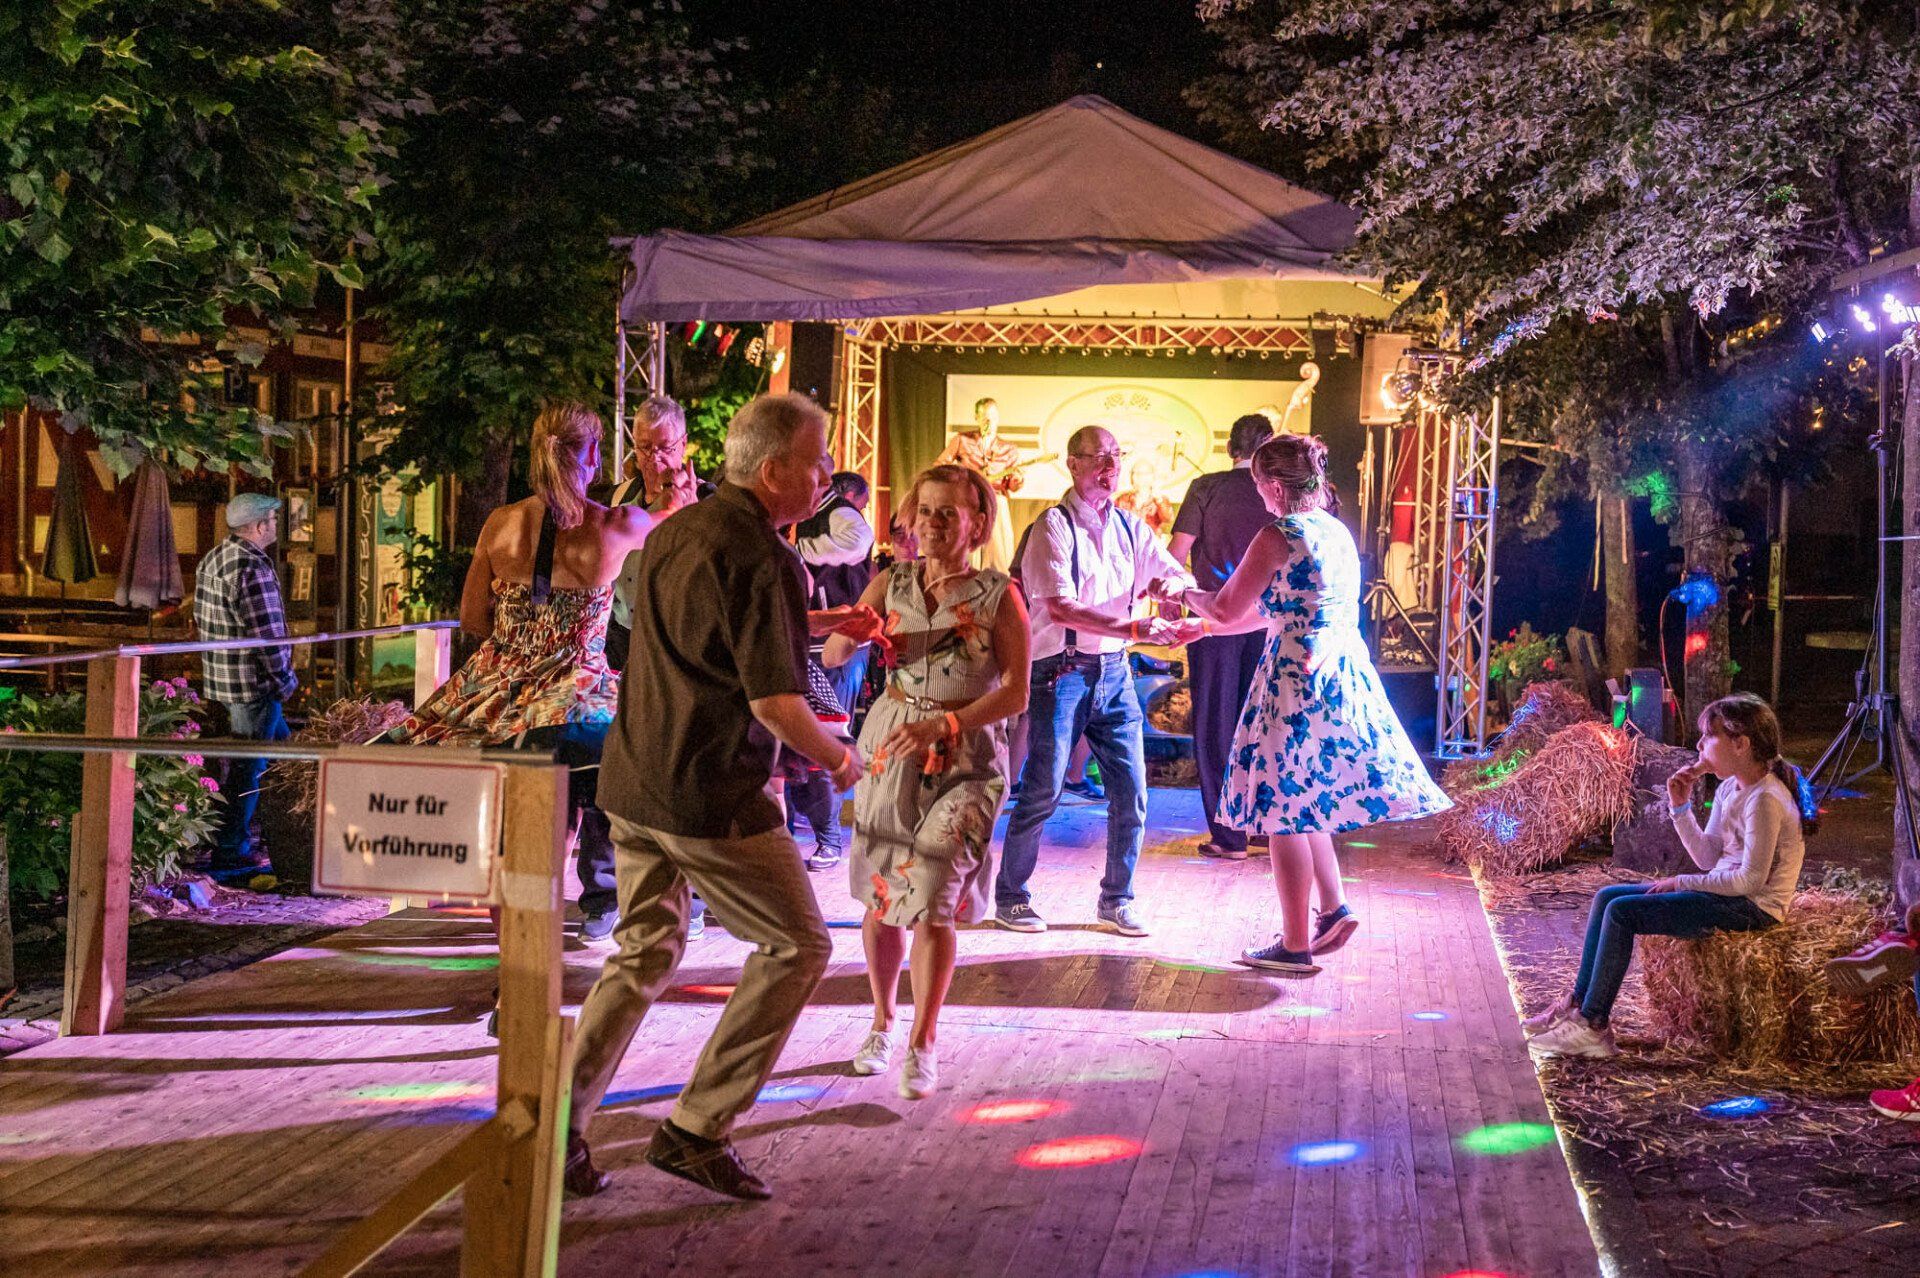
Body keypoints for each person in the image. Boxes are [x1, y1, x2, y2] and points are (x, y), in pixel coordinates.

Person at [565, 392, 864, 1202]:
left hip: (634, 781)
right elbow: (776, 704)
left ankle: (557, 1124)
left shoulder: (675, 532)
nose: (827, 474)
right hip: (707, 793)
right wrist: (841, 760)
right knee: (798, 946)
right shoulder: (767, 558)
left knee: (642, 953)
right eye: (816, 461)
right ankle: (697, 1128)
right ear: (772, 471)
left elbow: (702, 640)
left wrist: (828, 621)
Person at [1157, 434, 1450, 974]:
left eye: (1258, 485)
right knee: (1305, 795)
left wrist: (1179, 594)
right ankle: (1333, 908)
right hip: (1337, 674)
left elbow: (1227, 607)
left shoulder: (1278, 534)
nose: (1258, 494)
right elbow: (1274, 610)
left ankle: (1294, 944)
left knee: (1281, 809)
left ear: (1272, 485)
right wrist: (1201, 630)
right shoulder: (1334, 531)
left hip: (1293, 679)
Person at [388, 403, 651, 949]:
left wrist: (518, 647)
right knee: (587, 810)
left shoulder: (499, 523)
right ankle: (553, 948)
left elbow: (471, 617)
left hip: (495, 693)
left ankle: (516, 958)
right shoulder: (616, 524)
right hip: (574, 694)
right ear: (593, 454)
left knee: (507, 840)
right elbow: (682, 525)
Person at [826, 463, 1030, 1099]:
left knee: (934, 893)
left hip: (966, 758)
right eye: (926, 511)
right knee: (883, 896)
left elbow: (1017, 693)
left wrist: (946, 723)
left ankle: (924, 1039)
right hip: (891, 748)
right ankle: (883, 1022)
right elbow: (832, 654)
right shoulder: (890, 582)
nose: (934, 523)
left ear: (976, 523)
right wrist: (853, 633)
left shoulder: (999, 594)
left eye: (949, 512)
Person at [993, 425, 1203, 938]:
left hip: (1114, 672)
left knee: (1132, 792)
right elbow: (1061, 607)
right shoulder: (1053, 526)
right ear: (1073, 464)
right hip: (1060, 672)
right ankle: (1011, 896)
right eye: (1100, 458)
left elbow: (1174, 572)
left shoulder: (1131, 526)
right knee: (1043, 790)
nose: (1111, 468)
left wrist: (1172, 586)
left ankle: (1118, 899)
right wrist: (1134, 628)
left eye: (1116, 457)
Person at [1526, 693, 1808, 1059]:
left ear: (1741, 744)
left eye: (1709, 736)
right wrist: (1680, 806)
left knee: (1623, 913)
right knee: (1606, 897)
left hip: (1754, 907)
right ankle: (1577, 1005)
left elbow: (1751, 881)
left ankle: (1593, 1025)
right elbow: (1707, 858)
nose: (1699, 745)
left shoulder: (1765, 799)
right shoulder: (1729, 788)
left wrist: (1681, 882)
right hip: (1729, 895)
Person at [1167, 413, 1275, 862]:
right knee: (1264, 724)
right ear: (1268, 446)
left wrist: (1172, 600)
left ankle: (1228, 837)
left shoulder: (1205, 487)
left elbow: (1175, 554)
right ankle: (1266, 829)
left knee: (1216, 724)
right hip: (1268, 622)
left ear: (1230, 448)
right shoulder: (1276, 490)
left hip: (1212, 620)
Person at [193, 492, 297, 880]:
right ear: (257, 526)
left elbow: (203, 619)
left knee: (287, 757)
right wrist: (284, 679)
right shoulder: (253, 566)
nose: (276, 524)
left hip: (222, 679)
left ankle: (282, 832)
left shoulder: (213, 558)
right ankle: (231, 847)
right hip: (254, 684)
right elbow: (268, 635)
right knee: (250, 767)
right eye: (272, 519)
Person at [789, 471, 878, 869]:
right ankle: (792, 830)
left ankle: (828, 839)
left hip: (837, 645)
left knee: (828, 735)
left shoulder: (838, 513)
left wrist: (798, 549)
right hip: (804, 640)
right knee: (793, 738)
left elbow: (859, 540)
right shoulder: (801, 513)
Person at [605, 394, 710, 669]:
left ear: (683, 444)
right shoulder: (618, 496)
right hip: (621, 639)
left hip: (677, 644)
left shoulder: (708, 500)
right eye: (645, 447)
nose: (654, 458)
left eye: (664, 447)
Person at [937, 397, 1025, 572]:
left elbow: (1014, 485)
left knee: (999, 557)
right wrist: (959, 480)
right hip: (968, 500)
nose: (989, 422)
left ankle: (999, 584)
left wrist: (1016, 480)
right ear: (976, 418)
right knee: (967, 552)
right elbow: (940, 467)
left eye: (992, 417)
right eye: (984, 417)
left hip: (996, 500)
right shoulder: (962, 440)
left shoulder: (1009, 448)